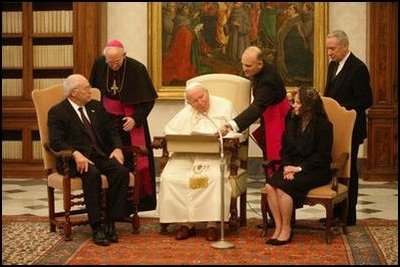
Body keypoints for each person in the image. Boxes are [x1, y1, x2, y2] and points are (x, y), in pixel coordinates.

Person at [48, 74, 130, 247]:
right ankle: (97, 226)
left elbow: (111, 130)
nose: (90, 91)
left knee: (121, 172)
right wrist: (75, 153)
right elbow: (56, 141)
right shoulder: (57, 112)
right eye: (86, 88)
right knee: (91, 174)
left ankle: (110, 221)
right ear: (74, 92)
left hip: (99, 155)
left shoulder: (96, 106)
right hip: (72, 161)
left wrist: (117, 148)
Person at [158, 82, 243, 241]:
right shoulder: (187, 112)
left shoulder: (225, 106)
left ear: (207, 92)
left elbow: (238, 133)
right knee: (170, 177)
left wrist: (223, 137)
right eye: (194, 101)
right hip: (186, 155)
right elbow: (169, 131)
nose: (200, 103)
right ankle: (186, 224)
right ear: (189, 103)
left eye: (201, 97)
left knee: (214, 178)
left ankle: (212, 224)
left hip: (215, 155)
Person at [89, 39, 158, 215]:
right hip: (105, 123)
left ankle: (130, 205)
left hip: (129, 124)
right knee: (107, 160)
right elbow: (94, 94)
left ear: (124, 56)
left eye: (117, 62)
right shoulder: (99, 64)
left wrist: (135, 118)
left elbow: (148, 100)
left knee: (131, 162)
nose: (113, 66)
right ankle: (105, 204)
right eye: (109, 62)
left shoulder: (137, 68)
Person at [265, 87, 333, 246]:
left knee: (283, 187)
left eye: (297, 103)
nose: (293, 106)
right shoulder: (291, 119)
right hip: (291, 166)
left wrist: (299, 169)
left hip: (314, 170)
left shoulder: (324, 126)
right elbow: (286, 147)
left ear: (308, 106)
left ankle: (287, 229)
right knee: (270, 186)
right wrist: (287, 165)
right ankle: (278, 226)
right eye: (293, 102)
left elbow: (322, 156)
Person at [323, 30, 373, 226]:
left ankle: (348, 216)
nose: (329, 52)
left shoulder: (358, 68)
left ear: (345, 46)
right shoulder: (333, 65)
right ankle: (334, 212)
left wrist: (341, 111)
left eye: (332, 48)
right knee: (335, 170)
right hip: (333, 128)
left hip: (350, 129)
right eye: (328, 48)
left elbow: (366, 100)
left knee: (348, 170)